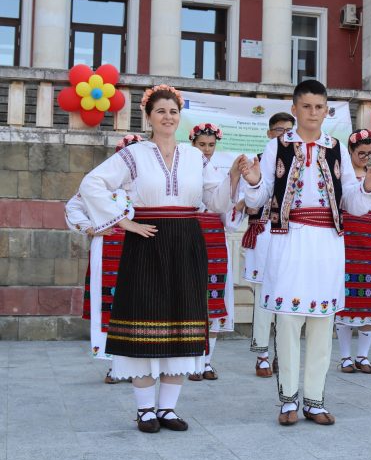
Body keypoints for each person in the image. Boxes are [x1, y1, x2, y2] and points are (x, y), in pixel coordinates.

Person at [78, 84, 241, 433]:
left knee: (182, 321)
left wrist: (236, 175)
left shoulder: (195, 156)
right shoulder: (134, 154)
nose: (168, 117)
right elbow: (93, 183)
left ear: (180, 118)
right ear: (149, 116)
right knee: (144, 318)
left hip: (186, 241)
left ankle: (167, 409)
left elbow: (215, 201)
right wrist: (124, 222)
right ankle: (144, 410)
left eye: (173, 112)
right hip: (147, 241)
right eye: (161, 111)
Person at [239, 80, 371, 426]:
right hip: (288, 239)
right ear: (294, 110)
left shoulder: (335, 148)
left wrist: (366, 186)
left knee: (322, 321)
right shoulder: (277, 146)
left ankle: (315, 401)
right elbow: (259, 201)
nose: (313, 113)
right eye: (306, 106)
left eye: (319, 107)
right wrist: (255, 180)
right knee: (288, 321)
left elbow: (350, 197)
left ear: (326, 110)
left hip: (327, 243)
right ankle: (288, 399)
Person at [65, 134, 142, 384]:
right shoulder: (102, 184)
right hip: (108, 247)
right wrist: (90, 228)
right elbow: (72, 207)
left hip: (141, 247)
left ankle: (137, 361)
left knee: (139, 303)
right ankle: (114, 363)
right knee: (110, 303)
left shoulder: (148, 185)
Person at [188, 122, 241, 381]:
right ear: (192, 144)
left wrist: (237, 201)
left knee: (214, 298)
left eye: (211, 145)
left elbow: (228, 218)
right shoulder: (183, 169)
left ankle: (207, 361)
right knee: (190, 298)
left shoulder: (221, 173)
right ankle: (191, 359)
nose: (207, 150)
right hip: (189, 235)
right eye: (202, 145)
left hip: (215, 238)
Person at [244, 112, 295, 378]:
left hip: (291, 236)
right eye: (279, 130)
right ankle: (263, 354)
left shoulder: (301, 159)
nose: (284, 134)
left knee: (287, 295)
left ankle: (282, 353)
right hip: (264, 232)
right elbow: (250, 201)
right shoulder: (258, 162)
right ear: (269, 134)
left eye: (289, 130)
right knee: (264, 297)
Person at [335, 129, 371, 374]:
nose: (365, 157)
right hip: (345, 236)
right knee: (345, 294)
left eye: (369, 153)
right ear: (351, 152)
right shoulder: (342, 176)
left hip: (368, 236)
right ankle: (345, 356)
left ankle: (363, 355)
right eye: (361, 153)